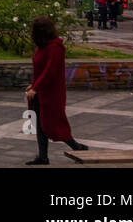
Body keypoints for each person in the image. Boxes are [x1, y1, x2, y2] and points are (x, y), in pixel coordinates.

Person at [26, 16, 88, 164]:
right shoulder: (42, 46)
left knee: (53, 123)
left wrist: (36, 87)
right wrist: (33, 85)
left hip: (51, 93)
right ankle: (43, 157)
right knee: (41, 125)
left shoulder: (55, 48)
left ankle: (77, 146)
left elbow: (50, 71)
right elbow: (39, 69)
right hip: (40, 91)